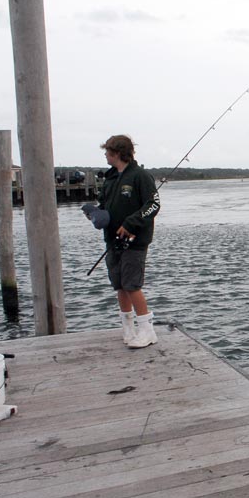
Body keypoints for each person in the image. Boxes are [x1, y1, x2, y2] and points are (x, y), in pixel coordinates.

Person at [96, 135, 160, 349]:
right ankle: (128, 328)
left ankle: (147, 331)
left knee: (132, 285)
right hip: (112, 241)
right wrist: (96, 214)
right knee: (120, 285)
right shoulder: (111, 178)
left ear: (118, 153)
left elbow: (153, 205)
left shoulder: (140, 176)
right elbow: (104, 204)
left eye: (107, 151)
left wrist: (132, 224)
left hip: (135, 241)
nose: (105, 154)